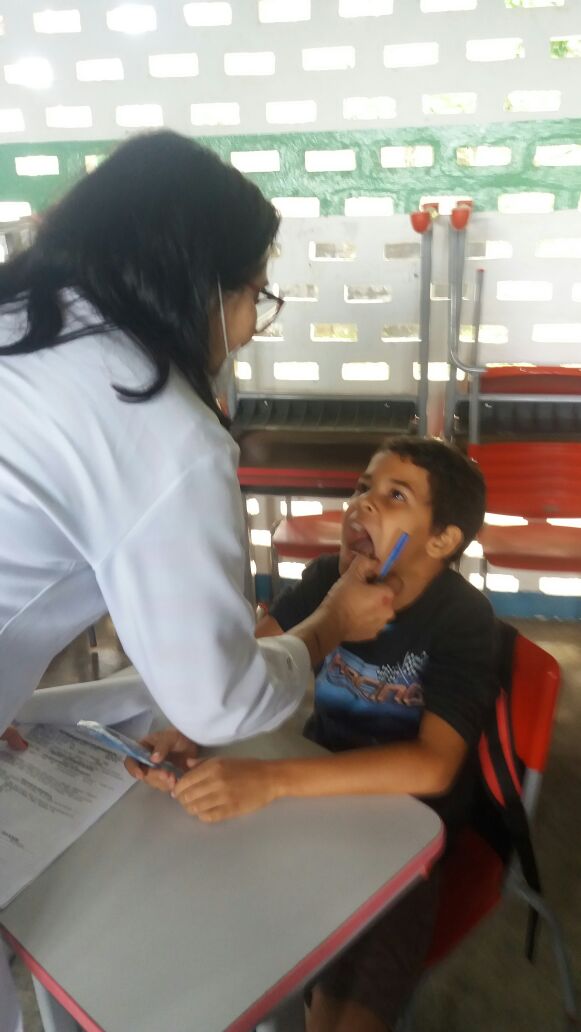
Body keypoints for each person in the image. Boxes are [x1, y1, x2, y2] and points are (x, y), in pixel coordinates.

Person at [0, 130, 394, 1032]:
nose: (249, 326)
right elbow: (217, 703)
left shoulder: (22, 324)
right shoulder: (157, 424)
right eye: (255, 294)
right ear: (199, 284)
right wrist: (327, 628)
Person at [131, 436, 498, 1032]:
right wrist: (189, 728)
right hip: (309, 798)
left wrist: (270, 781)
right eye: (362, 487)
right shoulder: (329, 578)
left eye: (395, 495)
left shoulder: (463, 620)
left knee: (341, 1012)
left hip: (401, 831)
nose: (362, 504)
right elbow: (247, 667)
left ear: (442, 540)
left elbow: (432, 767)